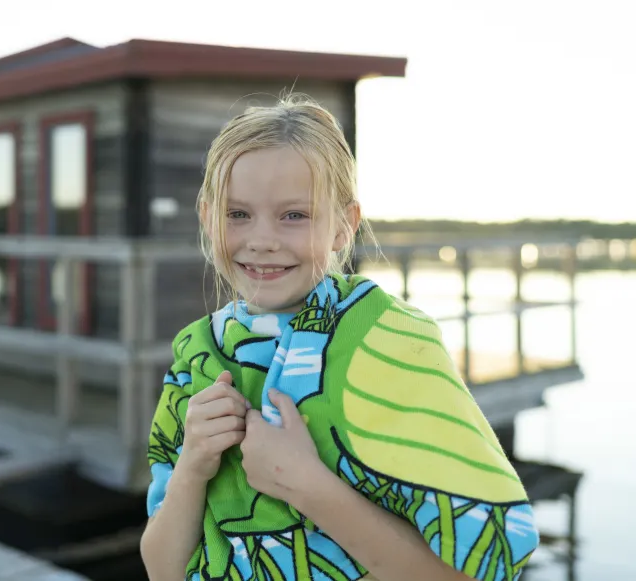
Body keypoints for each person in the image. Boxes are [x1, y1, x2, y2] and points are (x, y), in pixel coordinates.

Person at [139, 94, 540, 581]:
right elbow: (162, 570)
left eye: (294, 216)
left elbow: (486, 569)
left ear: (343, 226)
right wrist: (194, 464)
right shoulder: (197, 355)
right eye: (237, 214)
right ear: (207, 217)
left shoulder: (391, 341)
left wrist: (309, 487)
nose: (261, 238)